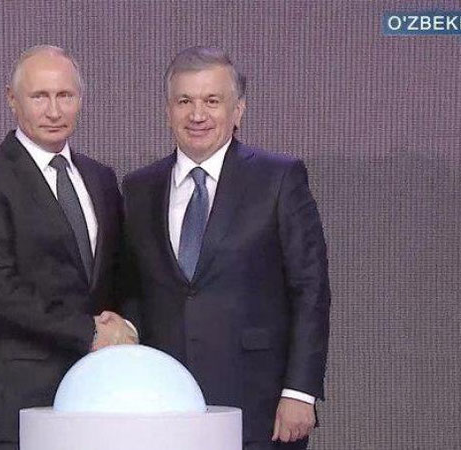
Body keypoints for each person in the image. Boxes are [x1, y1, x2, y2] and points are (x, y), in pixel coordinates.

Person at [121, 46, 331, 449]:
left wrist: (300, 392)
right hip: (162, 403)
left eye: (212, 101)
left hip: (259, 404)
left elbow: (310, 290)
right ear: (168, 110)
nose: (197, 115)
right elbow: (132, 289)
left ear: (238, 111)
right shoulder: (138, 188)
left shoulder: (278, 178)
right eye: (185, 101)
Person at [0, 45, 136, 450]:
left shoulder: (100, 178)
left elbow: (120, 274)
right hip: (12, 403)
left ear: (80, 99)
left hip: (95, 395)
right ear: (12, 100)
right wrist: (88, 331)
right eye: (39, 96)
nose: (54, 110)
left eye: (65, 95)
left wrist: (126, 328)